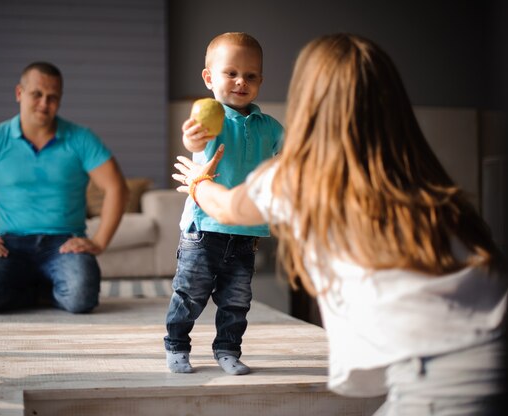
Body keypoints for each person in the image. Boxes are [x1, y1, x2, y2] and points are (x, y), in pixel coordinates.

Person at [172, 34, 507, 414]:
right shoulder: (429, 185)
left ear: (310, 102)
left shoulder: (307, 176)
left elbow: (231, 208)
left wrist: (198, 183)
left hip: (438, 386)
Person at [0, 62, 129, 314]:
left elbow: (116, 187)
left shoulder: (81, 138)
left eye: (52, 97)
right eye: (37, 94)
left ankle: (33, 290)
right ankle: (42, 291)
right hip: (8, 245)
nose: (45, 103)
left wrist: (98, 241)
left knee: (81, 297)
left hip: (64, 243)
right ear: (19, 93)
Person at [164, 32, 283, 375]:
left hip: (246, 232)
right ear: (209, 78)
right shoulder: (210, 117)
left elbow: (291, 158)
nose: (241, 81)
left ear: (261, 79)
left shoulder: (271, 127)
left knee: (237, 301)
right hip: (204, 228)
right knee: (190, 295)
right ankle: (176, 346)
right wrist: (191, 137)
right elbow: (194, 139)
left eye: (251, 75)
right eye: (231, 73)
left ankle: (228, 350)